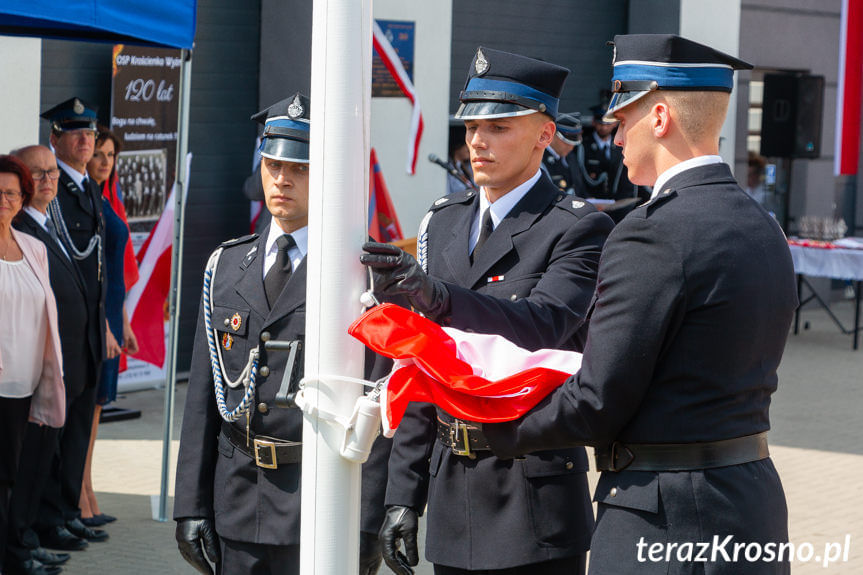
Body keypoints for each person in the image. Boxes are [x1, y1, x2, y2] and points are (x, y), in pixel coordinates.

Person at [483, 34, 797, 575]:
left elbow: (598, 399)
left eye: (622, 118)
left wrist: (495, 427)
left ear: (658, 117)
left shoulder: (651, 234)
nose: (616, 134)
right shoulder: (763, 227)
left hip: (662, 517)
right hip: (751, 503)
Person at [362, 47, 614, 575]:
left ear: (545, 135)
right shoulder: (443, 221)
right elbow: (420, 363)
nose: (477, 140)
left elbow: (544, 323)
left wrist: (437, 296)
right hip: (452, 484)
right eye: (472, 124)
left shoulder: (577, 227)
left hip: (533, 491)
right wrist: (403, 495)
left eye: (499, 126)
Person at [173, 93, 391, 575]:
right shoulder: (227, 265)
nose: (282, 179)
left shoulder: (359, 275)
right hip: (236, 496)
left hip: (321, 498)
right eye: (272, 164)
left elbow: (382, 403)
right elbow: (203, 400)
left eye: (301, 168)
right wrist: (190, 504)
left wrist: (369, 520)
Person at [35, 97, 109, 550]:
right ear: (55, 138)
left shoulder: (89, 187)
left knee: (80, 425)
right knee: (56, 433)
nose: (86, 141)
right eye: (75, 133)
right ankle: (50, 518)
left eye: (91, 133)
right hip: (61, 331)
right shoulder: (52, 191)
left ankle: (67, 511)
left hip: (87, 329)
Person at [0, 155, 65, 575]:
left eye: (10, 193)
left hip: (25, 387)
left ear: (22, 199)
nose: (3, 200)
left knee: (10, 476)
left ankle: (11, 555)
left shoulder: (34, 248)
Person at [78, 128, 139, 527]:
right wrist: (106, 324)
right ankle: (82, 496)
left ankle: (86, 489)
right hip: (97, 321)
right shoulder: (86, 202)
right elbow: (89, 274)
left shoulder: (108, 198)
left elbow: (115, 270)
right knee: (88, 411)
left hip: (113, 318)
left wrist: (125, 322)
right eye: (98, 153)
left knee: (97, 409)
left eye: (110, 155)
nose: (103, 161)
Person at [541, 112, 587, 197]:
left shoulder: (571, 157)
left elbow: (579, 188)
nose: (571, 147)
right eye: (566, 141)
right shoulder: (540, 159)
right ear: (552, 134)